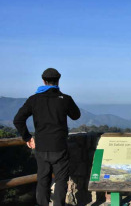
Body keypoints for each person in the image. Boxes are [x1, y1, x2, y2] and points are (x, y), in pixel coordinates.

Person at [14, 68, 81, 206]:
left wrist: (27, 138)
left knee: (43, 180)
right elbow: (76, 115)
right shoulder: (65, 99)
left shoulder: (34, 99)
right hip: (59, 147)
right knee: (61, 181)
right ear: (58, 81)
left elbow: (18, 120)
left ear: (43, 81)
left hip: (41, 147)